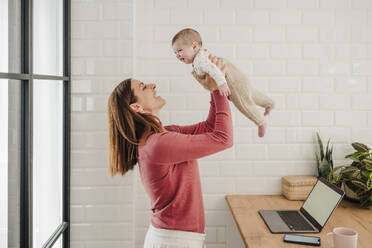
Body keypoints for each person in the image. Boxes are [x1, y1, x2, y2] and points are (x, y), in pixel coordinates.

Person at [107, 55, 233, 248]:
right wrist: (219, 87)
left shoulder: (165, 134)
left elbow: (210, 127)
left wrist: (213, 88)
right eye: (143, 87)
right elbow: (223, 138)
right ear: (136, 107)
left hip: (178, 239)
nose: (152, 85)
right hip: (174, 242)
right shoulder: (158, 144)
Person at [172, 28, 275, 138]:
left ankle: (261, 121)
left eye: (180, 50)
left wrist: (221, 84)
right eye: (175, 53)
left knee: (243, 104)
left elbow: (214, 69)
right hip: (236, 76)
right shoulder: (201, 56)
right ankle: (269, 103)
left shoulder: (200, 60)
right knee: (251, 94)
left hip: (232, 81)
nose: (177, 55)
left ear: (194, 46)